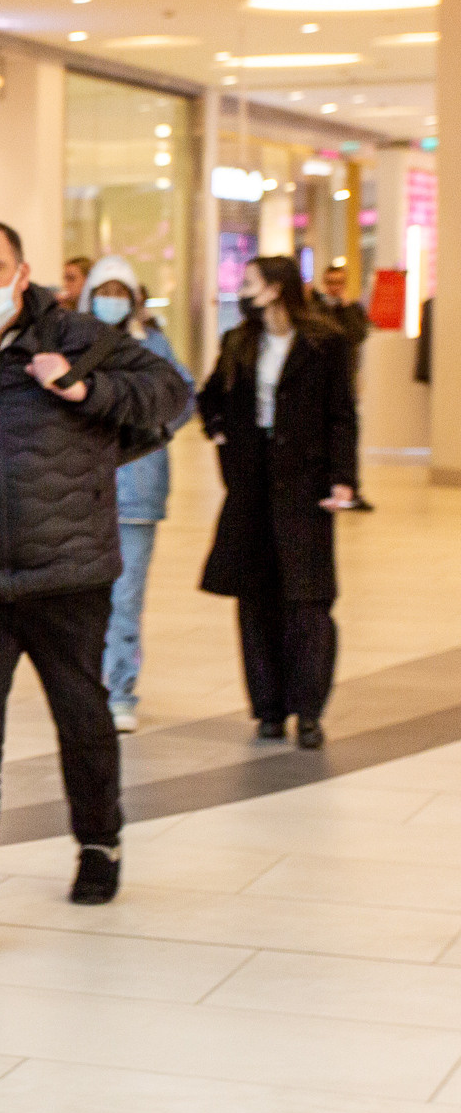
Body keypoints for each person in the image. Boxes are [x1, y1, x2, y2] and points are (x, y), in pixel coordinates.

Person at [0, 219, 190, 962]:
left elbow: (170, 393)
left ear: (22, 272)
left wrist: (82, 388)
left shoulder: (81, 334)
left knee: (83, 717)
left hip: (69, 572)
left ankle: (100, 841)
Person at [197, 254, 360, 751]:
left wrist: (343, 479)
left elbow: (341, 414)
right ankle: (267, 709)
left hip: (304, 485)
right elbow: (209, 398)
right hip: (250, 484)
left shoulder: (324, 342)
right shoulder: (238, 341)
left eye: (250, 283)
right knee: (256, 598)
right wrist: (221, 433)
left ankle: (309, 711)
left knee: (308, 601)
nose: (243, 290)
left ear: (275, 288)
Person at [78, 256, 195, 734]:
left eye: (119, 292)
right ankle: (87, 687)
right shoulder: (75, 343)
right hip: (82, 491)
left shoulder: (154, 345)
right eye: (102, 291)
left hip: (138, 494)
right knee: (85, 598)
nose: (111, 301)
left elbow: (183, 395)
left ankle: (121, 690)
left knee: (125, 598)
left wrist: (153, 430)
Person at [314, 264, 374, 511]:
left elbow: (357, 335)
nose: (334, 287)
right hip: (319, 382)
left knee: (345, 431)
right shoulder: (316, 310)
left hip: (345, 380)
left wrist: (345, 309)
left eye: (338, 282)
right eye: (330, 282)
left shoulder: (352, 310)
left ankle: (350, 487)